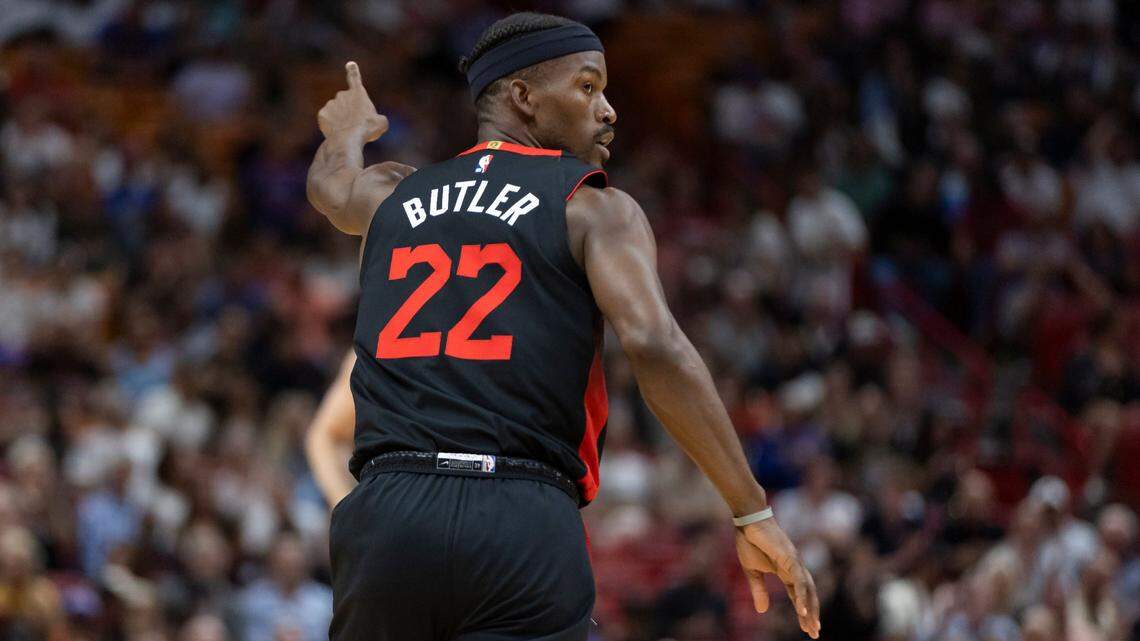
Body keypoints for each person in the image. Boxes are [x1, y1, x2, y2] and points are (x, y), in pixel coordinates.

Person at [305, 12, 820, 641]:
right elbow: (655, 343)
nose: (608, 110)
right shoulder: (591, 205)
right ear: (523, 97)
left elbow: (330, 188)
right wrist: (750, 509)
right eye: (587, 87)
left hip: (386, 518)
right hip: (518, 511)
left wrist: (347, 133)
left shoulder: (394, 194)